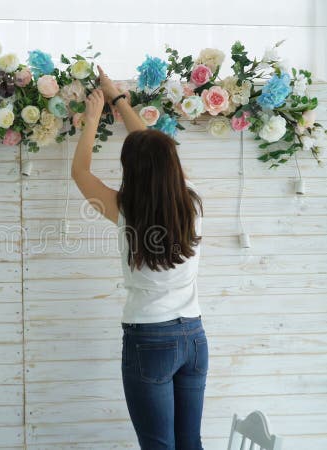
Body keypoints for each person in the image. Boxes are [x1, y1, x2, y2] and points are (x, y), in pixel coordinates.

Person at [70, 65, 208, 450]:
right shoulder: (192, 200)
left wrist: (95, 116)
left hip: (150, 339)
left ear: (133, 171)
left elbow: (80, 171)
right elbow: (153, 148)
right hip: (194, 337)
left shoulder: (125, 210)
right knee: (189, 443)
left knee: (157, 445)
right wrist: (118, 100)